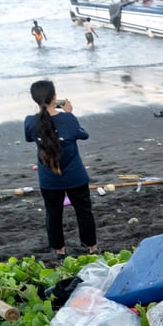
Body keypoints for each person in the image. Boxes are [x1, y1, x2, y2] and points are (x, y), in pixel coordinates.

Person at [24, 80, 98, 258]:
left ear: (35, 99)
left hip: (49, 178)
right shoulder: (67, 119)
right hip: (74, 175)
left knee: (53, 213)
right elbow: (83, 134)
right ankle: (92, 247)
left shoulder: (30, 122)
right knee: (84, 211)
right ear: (54, 97)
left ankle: (59, 250)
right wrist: (69, 113)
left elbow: (29, 137)